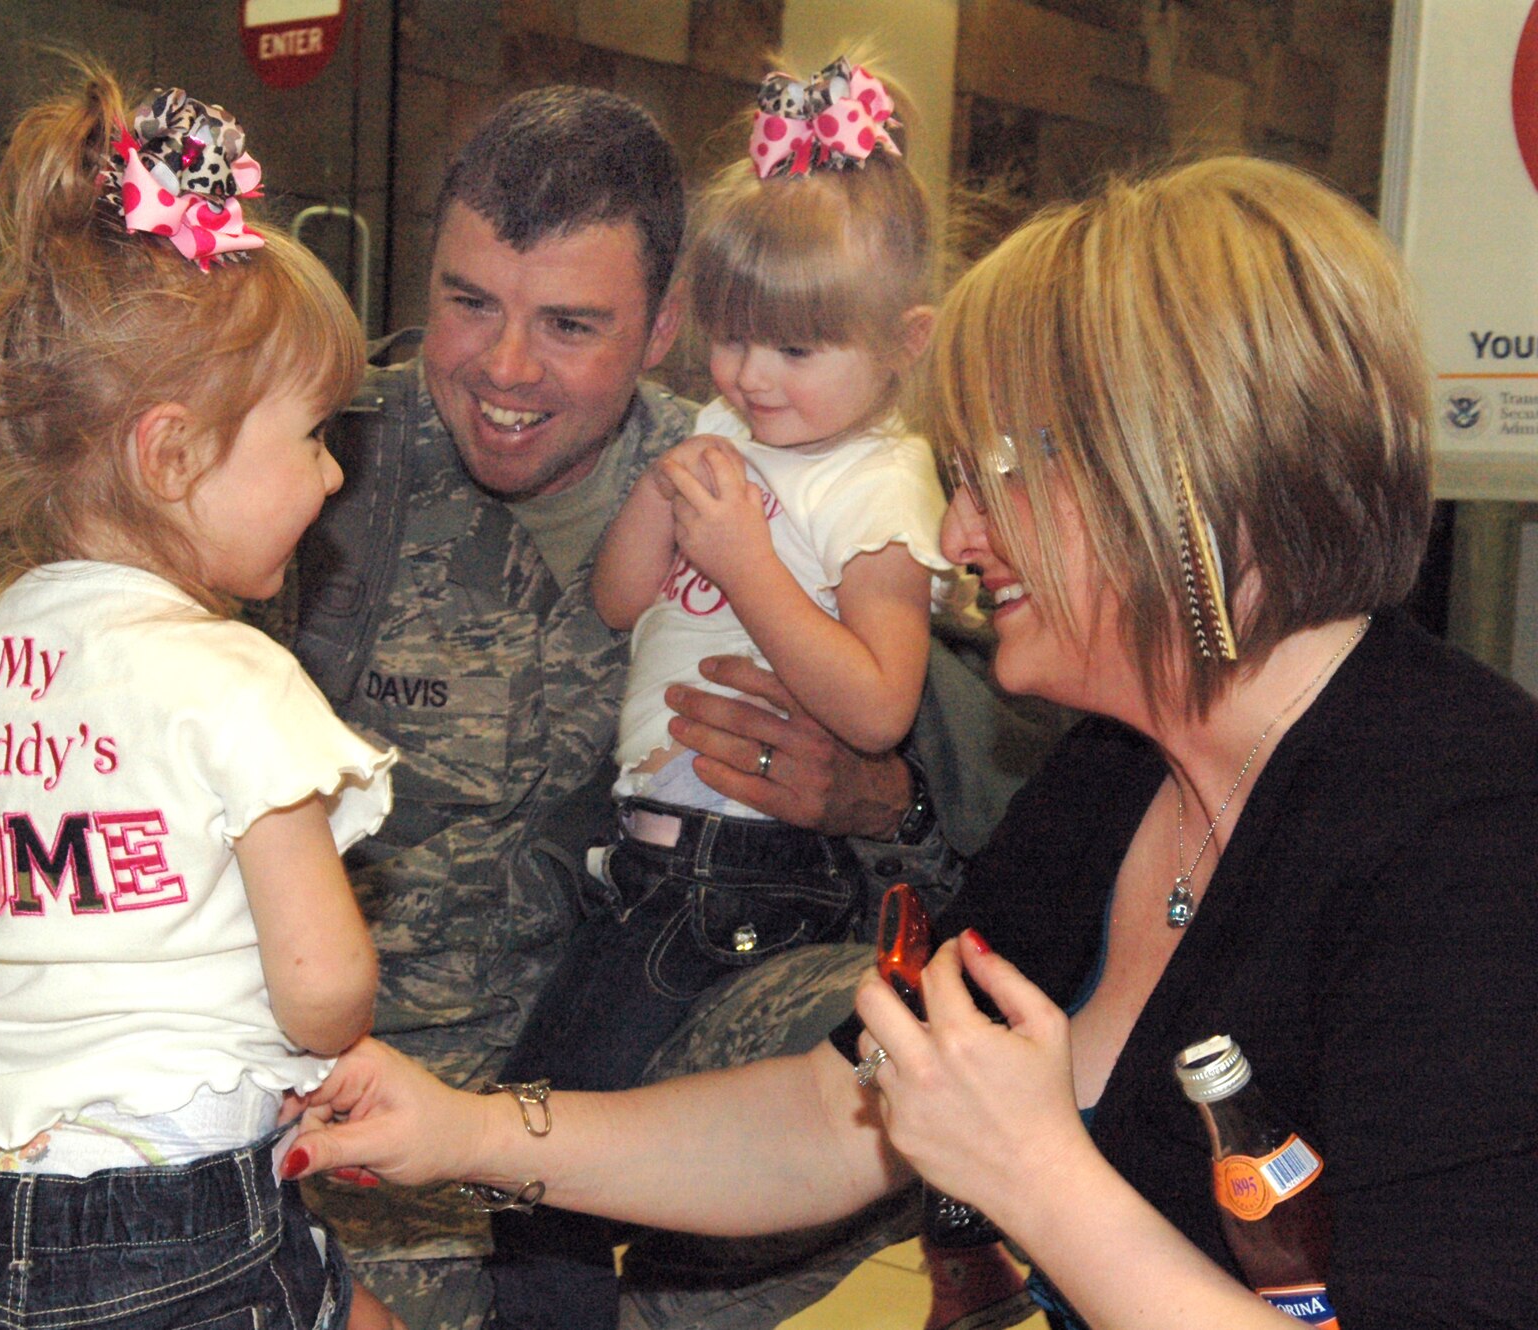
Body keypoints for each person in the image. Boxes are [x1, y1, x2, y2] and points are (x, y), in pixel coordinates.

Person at [283, 157, 1538, 1329]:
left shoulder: (1468, 835)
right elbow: (838, 1111)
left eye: (999, 478)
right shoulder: (1112, 779)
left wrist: (1035, 1173)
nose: (958, 528)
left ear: (1178, 483)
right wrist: (467, 1132)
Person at [284, 83, 1058, 1330]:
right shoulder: (310, 472)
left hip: (656, 1044)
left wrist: (879, 797)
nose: (505, 367)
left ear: (663, 327)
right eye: (466, 303)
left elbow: (1009, 794)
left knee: (927, 1025)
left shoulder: (811, 474)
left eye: (570, 324)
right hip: (343, 1122)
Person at [0, 60, 394, 1330]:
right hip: (190, 1217)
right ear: (171, 452)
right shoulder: (237, 683)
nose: (328, 478)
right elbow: (322, 984)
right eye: (312, 434)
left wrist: (44, 1037)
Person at [485, 59, 961, 1330]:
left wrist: (747, 563)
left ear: (900, 343)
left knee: (545, 1147)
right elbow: (617, 599)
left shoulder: (875, 486)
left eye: (797, 347)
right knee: (562, 1140)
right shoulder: (723, 427)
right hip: (649, 859)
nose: (752, 375)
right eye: (733, 332)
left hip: (743, 870)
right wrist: (663, 493)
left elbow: (873, 705)